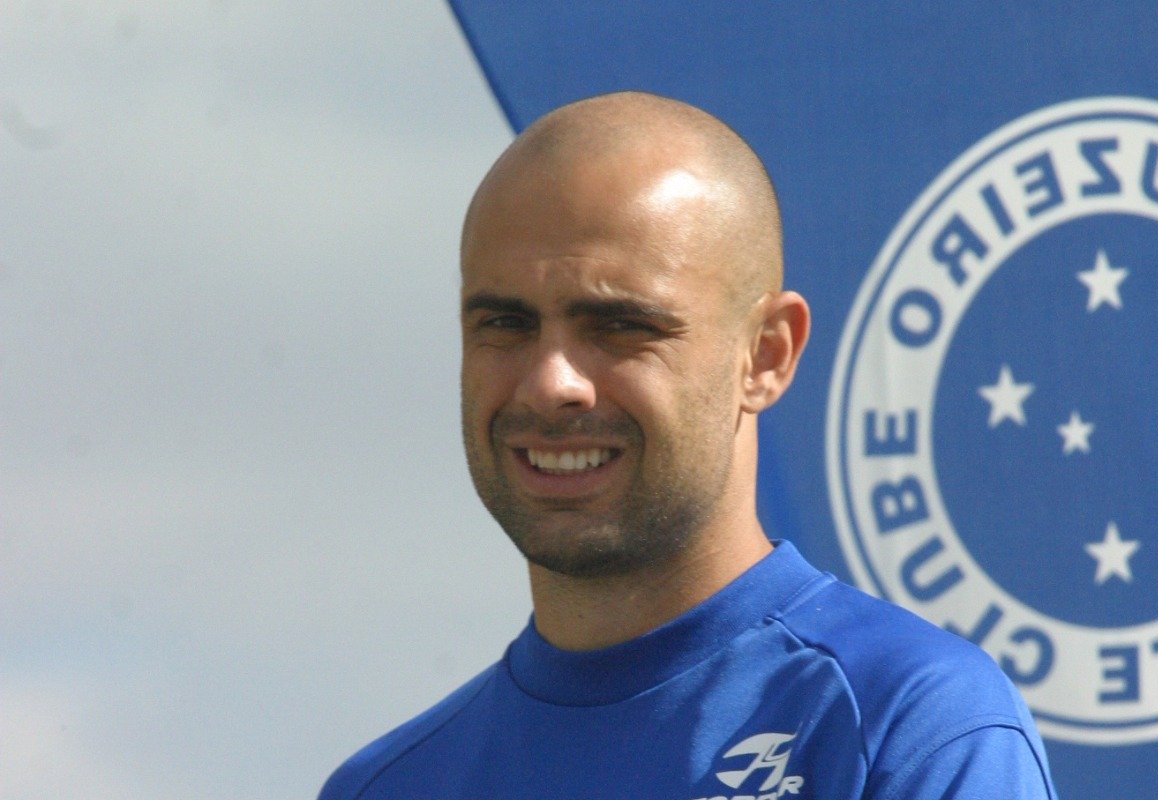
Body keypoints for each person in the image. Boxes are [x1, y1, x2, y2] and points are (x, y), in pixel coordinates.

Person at [318, 91, 1058, 800]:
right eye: (505, 325)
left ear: (766, 355)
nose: (550, 384)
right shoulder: (387, 786)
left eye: (620, 326)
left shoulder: (908, 724)